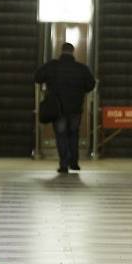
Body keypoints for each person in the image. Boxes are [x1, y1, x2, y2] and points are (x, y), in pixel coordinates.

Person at [35, 43, 95, 173]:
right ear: (73, 52)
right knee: (74, 134)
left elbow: (37, 77)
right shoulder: (81, 68)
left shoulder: (52, 66)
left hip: (58, 108)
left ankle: (64, 164)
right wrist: (81, 90)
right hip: (75, 108)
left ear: (61, 51)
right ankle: (74, 163)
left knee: (61, 135)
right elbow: (91, 84)